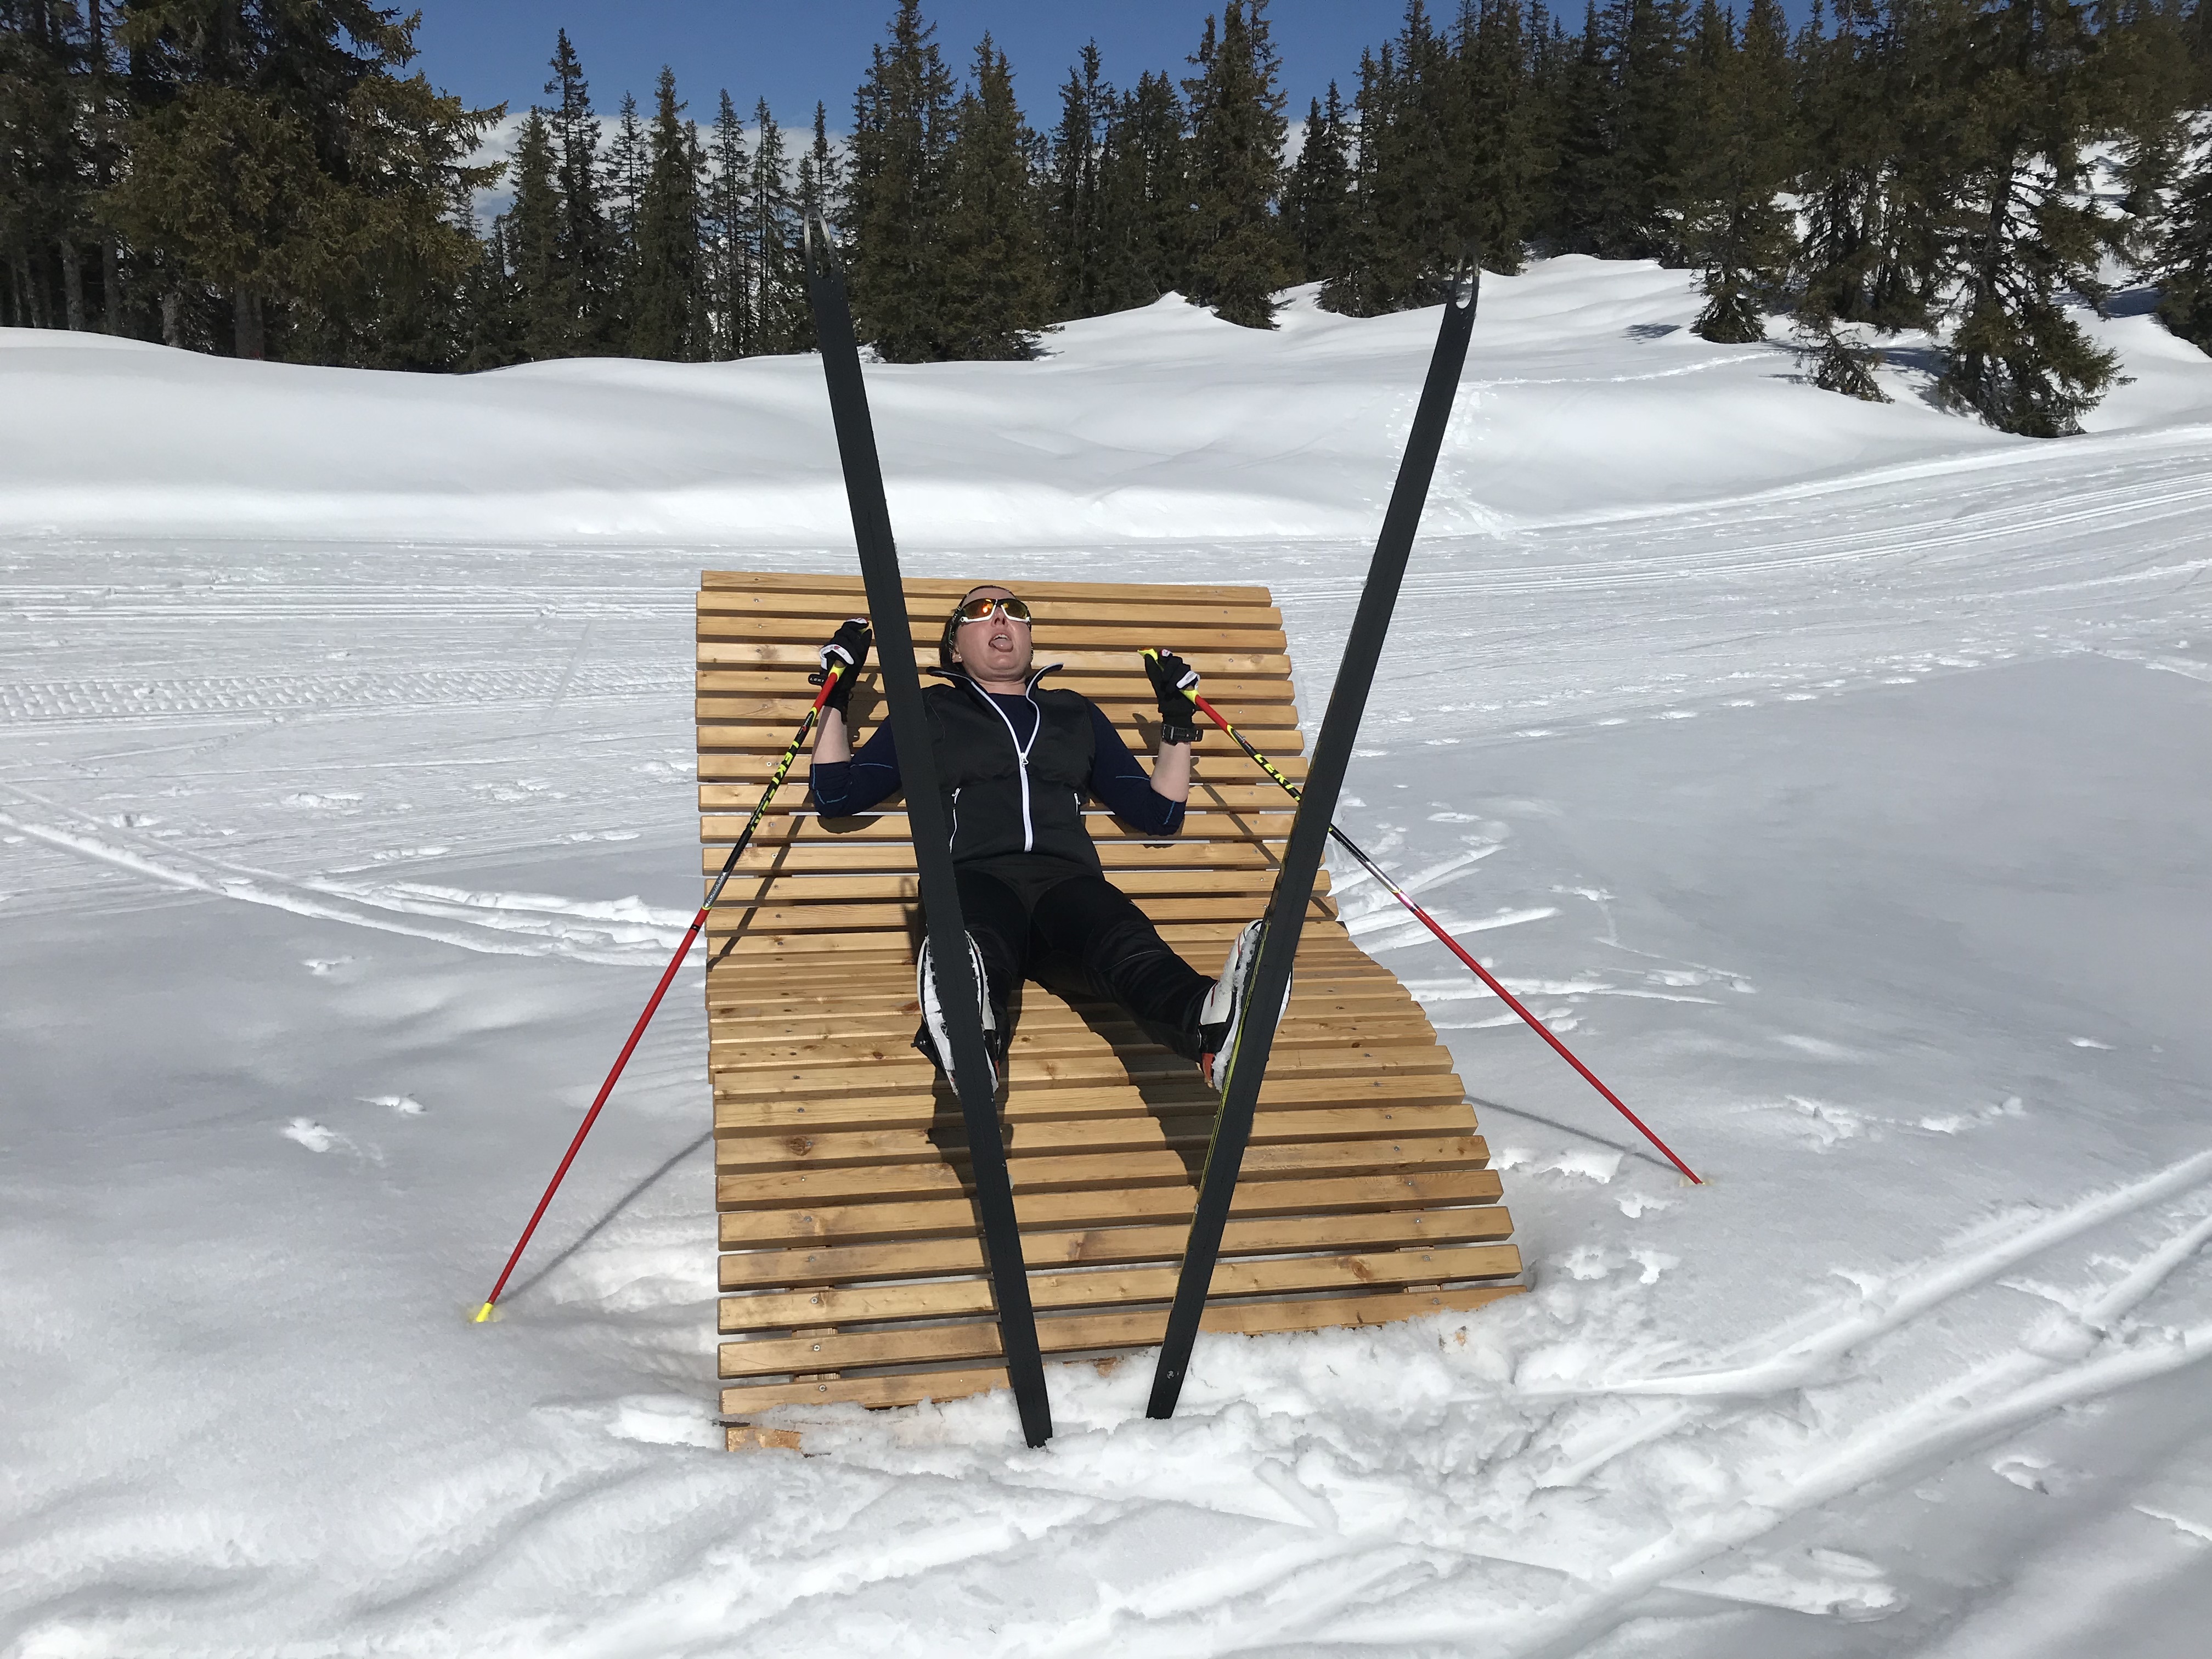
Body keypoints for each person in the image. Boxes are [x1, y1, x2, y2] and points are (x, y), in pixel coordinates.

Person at [805, 584, 1275, 1093]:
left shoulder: (1074, 713)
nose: (1000, 619)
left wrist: (1178, 722)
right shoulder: (927, 710)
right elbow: (837, 795)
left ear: (1029, 638)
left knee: (1125, 940)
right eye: (981, 611)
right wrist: (837, 695)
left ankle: (1209, 1026)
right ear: (955, 648)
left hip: (1066, 887)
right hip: (975, 877)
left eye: (1014, 611)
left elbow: (1158, 813)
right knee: (974, 941)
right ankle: (970, 1036)